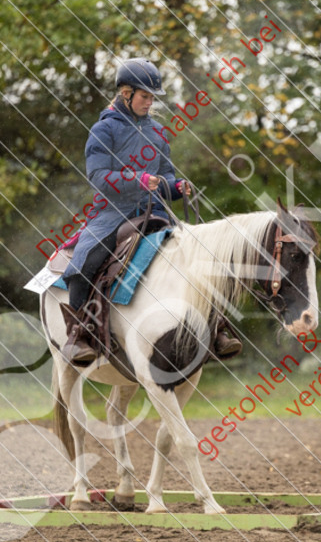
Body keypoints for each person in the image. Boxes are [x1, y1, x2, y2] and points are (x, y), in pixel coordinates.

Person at [59, 58, 242, 366]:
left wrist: (176, 187)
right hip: (113, 213)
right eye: (145, 96)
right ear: (126, 93)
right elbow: (99, 177)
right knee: (84, 262)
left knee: (198, 254)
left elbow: (166, 176)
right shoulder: (104, 130)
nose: (150, 102)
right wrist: (138, 180)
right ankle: (79, 335)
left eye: (152, 97)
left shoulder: (157, 132)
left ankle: (216, 327)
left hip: (154, 211)